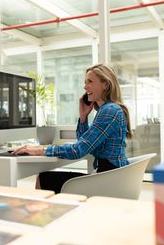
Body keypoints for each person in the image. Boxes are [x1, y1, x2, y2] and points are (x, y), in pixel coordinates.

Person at [12, 63, 132, 193]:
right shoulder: (109, 109)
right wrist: (83, 117)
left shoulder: (109, 110)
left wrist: (41, 149)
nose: (85, 86)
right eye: (85, 82)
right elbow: (83, 143)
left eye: (90, 81)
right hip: (109, 177)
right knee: (47, 178)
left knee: (44, 178)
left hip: (108, 182)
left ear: (105, 85)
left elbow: (78, 150)